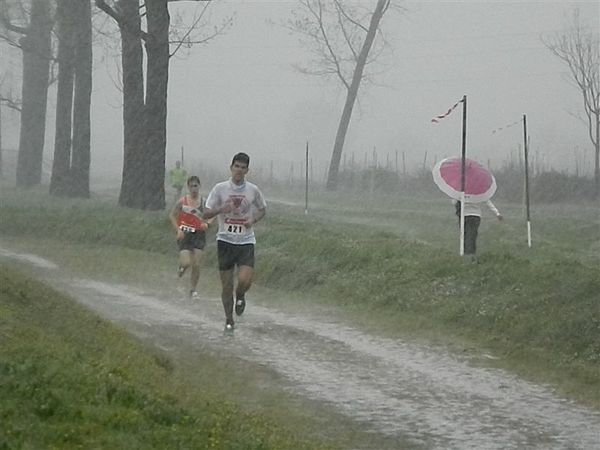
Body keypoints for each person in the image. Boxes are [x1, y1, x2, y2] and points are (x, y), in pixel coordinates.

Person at [203, 152, 267, 334]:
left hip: (246, 241)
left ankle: (241, 295)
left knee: (245, 280)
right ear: (231, 168)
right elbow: (205, 214)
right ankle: (229, 320)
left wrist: (252, 220)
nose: (239, 170)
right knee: (226, 286)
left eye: (243, 167)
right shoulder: (220, 189)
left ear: (247, 170)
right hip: (225, 241)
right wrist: (220, 209)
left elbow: (262, 210)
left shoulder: (253, 190)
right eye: (236, 166)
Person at [169, 176, 208, 298]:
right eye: (191, 186)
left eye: (196, 186)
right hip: (185, 234)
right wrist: (178, 229)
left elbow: (212, 215)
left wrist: (207, 224)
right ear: (188, 187)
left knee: (196, 264)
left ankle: (193, 289)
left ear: (199, 186)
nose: (194, 189)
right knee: (186, 263)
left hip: (198, 235)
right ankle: (181, 269)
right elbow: (172, 215)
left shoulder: (204, 202)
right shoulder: (182, 201)